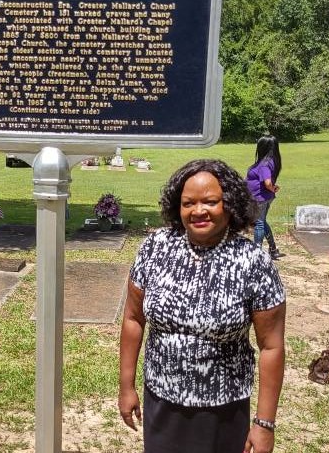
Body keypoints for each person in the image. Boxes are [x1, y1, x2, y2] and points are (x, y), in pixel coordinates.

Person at [119, 159, 286, 453]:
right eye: (188, 203)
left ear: (229, 204)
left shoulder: (253, 262)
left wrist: (264, 423)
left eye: (210, 202)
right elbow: (133, 318)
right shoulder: (155, 247)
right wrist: (126, 386)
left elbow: (271, 346)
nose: (198, 211)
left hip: (223, 410)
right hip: (161, 402)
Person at [246, 134, 284, 260]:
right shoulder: (271, 161)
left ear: (263, 147)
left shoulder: (264, 164)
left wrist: (272, 188)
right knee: (262, 221)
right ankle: (273, 249)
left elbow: (267, 183)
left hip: (260, 197)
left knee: (259, 223)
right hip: (264, 197)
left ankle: (256, 253)